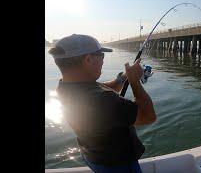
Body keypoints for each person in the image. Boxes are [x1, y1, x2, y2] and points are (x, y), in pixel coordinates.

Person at [48, 34, 156, 173]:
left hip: (94, 155)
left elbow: (102, 87)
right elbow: (148, 116)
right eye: (101, 56)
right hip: (117, 164)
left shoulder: (67, 85)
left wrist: (124, 77)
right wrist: (135, 81)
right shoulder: (104, 101)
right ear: (88, 59)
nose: (103, 61)